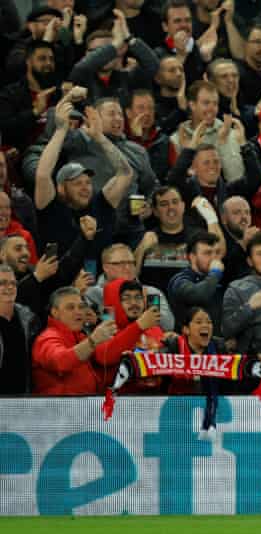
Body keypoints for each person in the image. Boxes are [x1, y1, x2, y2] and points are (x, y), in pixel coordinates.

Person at [34, 97, 133, 261]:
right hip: (60, 275)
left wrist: (100, 137)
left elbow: (125, 173)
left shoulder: (101, 205)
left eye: (87, 182)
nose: (85, 187)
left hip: (103, 275)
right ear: (61, 188)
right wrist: (61, 130)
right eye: (77, 183)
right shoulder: (51, 209)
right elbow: (42, 175)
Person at [31, 286, 117, 395]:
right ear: (55, 312)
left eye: (81, 307)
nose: (78, 312)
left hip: (85, 403)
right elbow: (60, 362)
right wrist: (93, 340)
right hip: (59, 405)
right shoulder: (47, 338)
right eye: (70, 307)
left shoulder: (80, 336)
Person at [221, 231, 261, 342]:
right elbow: (226, 330)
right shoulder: (235, 289)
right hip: (252, 351)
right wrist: (248, 308)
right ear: (250, 261)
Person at [167, 232, 226, 330]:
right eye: (208, 253)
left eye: (217, 253)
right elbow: (200, 295)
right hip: (186, 338)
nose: (214, 258)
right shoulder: (179, 280)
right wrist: (215, 272)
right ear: (192, 257)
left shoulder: (218, 278)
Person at [0, 264, 40, 394]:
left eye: (13, 283)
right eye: (2, 283)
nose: (10, 287)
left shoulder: (28, 319)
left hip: (22, 396)